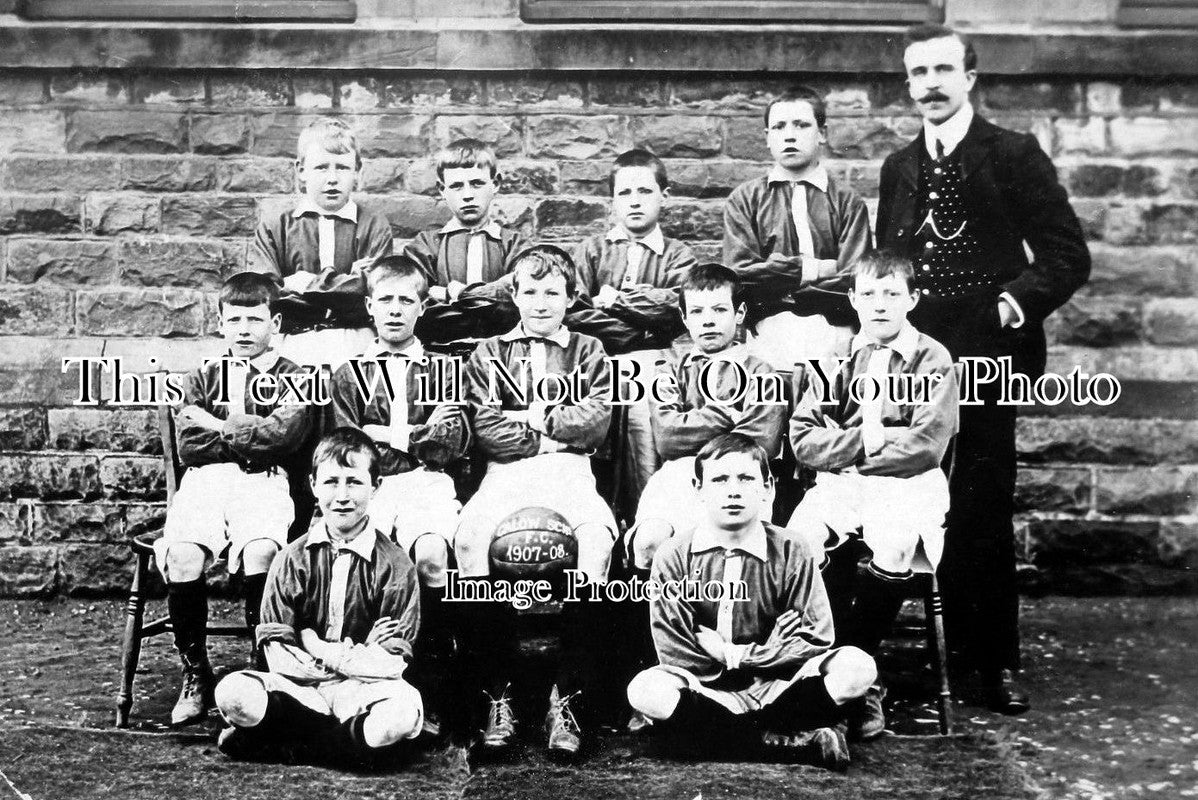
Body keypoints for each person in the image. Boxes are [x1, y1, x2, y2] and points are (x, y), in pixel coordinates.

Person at [876, 23, 1090, 713]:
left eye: (943, 70)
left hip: (988, 354)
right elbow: (889, 268)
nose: (930, 85)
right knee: (911, 488)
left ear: (970, 78)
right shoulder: (899, 167)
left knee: (983, 497)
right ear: (907, 84)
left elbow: (1066, 255)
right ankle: (903, 654)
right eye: (918, 73)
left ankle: (992, 662)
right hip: (916, 358)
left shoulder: (1013, 154)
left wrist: (1008, 306)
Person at [625, 434, 877, 770]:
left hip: (779, 685)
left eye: (746, 478)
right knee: (645, 691)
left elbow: (816, 638)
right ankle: (787, 741)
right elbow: (676, 649)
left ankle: (726, 736)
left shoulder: (793, 549)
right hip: (710, 690)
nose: (733, 491)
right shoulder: (673, 555)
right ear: (698, 489)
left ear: (767, 488)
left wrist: (736, 655)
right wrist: (772, 651)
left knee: (858, 667)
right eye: (719, 480)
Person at [455, 244, 618, 761]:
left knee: (595, 541)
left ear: (571, 297)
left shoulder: (589, 349)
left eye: (552, 292)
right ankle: (497, 696)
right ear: (514, 295)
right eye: (530, 291)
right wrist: (551, 434)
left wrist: (531, 419)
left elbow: (596, 420)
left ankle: (565, 699)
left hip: (570, 472)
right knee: (469, 540)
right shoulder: (490, 352)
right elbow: (486, 427)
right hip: (506, 474)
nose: (541, 302)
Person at [787, 250, 959, 738]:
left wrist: (845, 451)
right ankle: (814, 667)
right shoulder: (836, 357)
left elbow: (925, 446)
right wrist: (871, 440)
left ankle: (860, 678)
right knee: (798, 540)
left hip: (908, 484)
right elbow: (804, 439)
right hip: (842, 484)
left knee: (898, 544)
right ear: (852, 298)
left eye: (891, 294)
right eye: (868, 294)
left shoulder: (933, 357)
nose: (879, 305)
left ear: (913, 299)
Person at [154, 272, 315, 727]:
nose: (244, 330)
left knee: (261, 550)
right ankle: (196, 672)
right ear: (220, 323)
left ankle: (261, 667)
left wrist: (219, 425)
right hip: (205, 481)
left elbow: (282, 438)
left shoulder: (295, 377)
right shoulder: (201, 376)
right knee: (183, 555)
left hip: (264, 481)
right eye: (235, 320)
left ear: (275, 323)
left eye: (255, 319)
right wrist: (249, 435)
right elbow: (189, 445)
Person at [213, 428, 425, 768]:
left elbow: (390, 663)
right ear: (313, 485)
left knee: (399, 716)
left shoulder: (396, 565)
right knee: (232, 694)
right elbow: (278, 654)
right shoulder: (290, 559)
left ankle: (295, 744)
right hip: (303, 688)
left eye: (354, 482)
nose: (342, 496)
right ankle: (346, 745)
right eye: (330, 482)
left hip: (362, 690)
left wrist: (318, 646)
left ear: (376, 486)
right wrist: (357, 652)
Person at [328, 254, 469, 736]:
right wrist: (416, 436)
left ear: (422, 308)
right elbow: (350, 450)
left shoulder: (444, 370)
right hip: (370, 487)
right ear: (369, 306)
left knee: (430, 554)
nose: (394, 310)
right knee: (359, 560)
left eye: (406, 301)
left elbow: (448, 444)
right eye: (384, 299)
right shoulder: (349, 373)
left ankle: (431, 681)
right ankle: (363, 676)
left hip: (427, 481)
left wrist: (387, 436)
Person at [627, 262, 786, 575]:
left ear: (739, 313)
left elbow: (761, 441)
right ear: (685, 317)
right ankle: (654, 608)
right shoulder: (668, 371)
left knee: (725, 557)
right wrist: (728, 414)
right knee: (649, 542)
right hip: (680, 473)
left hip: (740, 475)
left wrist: (693, 422)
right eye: (697, 312)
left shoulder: (761, 372)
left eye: (719, 310)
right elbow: (668, 438)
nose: (708, 320)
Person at [571, 148, 698, 500]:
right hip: (597, 363)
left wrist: (615, 301)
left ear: (664, 196)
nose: (635, 201)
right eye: (625, 192)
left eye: (644, 191)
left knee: (646, 443)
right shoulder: (592, 250)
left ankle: (646, 521)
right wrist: (640, 329)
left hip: (653, 365)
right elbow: (575, 311)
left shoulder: (677, 254)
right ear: (613, 200)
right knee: (596, 445)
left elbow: (675, 307)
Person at [723, 86, 873, 372]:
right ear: (767, 137)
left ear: (822, 134)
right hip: (767, 335)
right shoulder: (744, 200)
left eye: (802, 125)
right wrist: (812, 269)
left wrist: (781, 286)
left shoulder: (847, 202)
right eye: (779, 127)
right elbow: (739, 275)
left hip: (836, 332)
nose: (789, 135)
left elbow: (855, 280)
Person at [248, 117, 394, 369]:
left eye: (343, 167)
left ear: (357, 171)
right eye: (321, 167)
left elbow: (374, 290)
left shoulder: (373, 225)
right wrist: (349, 280)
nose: (332, 178)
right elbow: (267, 295)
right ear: (301, 170)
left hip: (355, 341)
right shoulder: (275, 227)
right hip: (293, 344)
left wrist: (300, 283)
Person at [403, 138, 527, 346]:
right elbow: (417, 306)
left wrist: (450, 294)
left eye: (477, 184)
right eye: (456, 186)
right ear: (442, 189)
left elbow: (518, 301)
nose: (468, 195)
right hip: (441, 351)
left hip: (502, 351)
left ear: (495, 183)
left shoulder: (514, 245)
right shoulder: (426, 245)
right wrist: (489, 298)